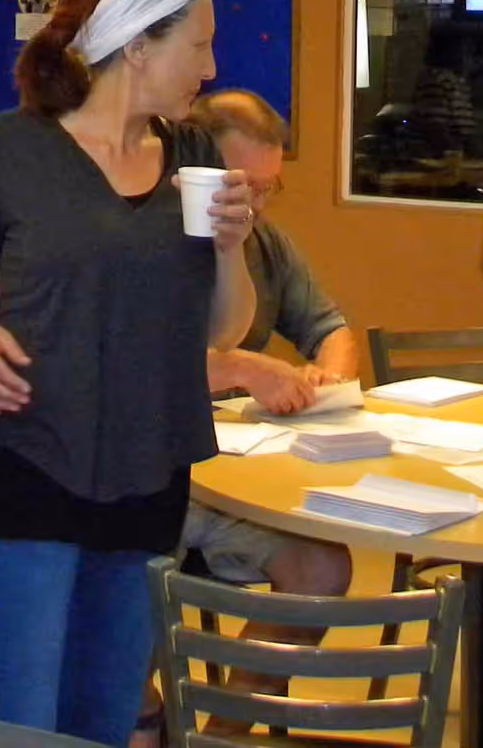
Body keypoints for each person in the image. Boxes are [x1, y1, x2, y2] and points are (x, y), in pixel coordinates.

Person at [0, 0, 256, 746]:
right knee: (16, 727)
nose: (211, 67)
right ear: (139, 43)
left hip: (150, 477)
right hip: (24, 466)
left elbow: (225, 329)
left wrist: (229, 246)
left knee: (105, 722)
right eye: (199, 45)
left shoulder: (194, 160)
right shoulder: (12, 149)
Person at [131, 89, 355, 745]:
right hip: (149, 465)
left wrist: (327, 377)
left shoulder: (267, 245)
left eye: (268, 188)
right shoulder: (143, 239)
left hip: (237, 470)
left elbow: (331, 327)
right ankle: (138, 708)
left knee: (322, 569)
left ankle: (224, 730)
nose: (254, 205)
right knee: (135, 561)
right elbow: (133, 365)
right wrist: (235, 369)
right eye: (242, 186)